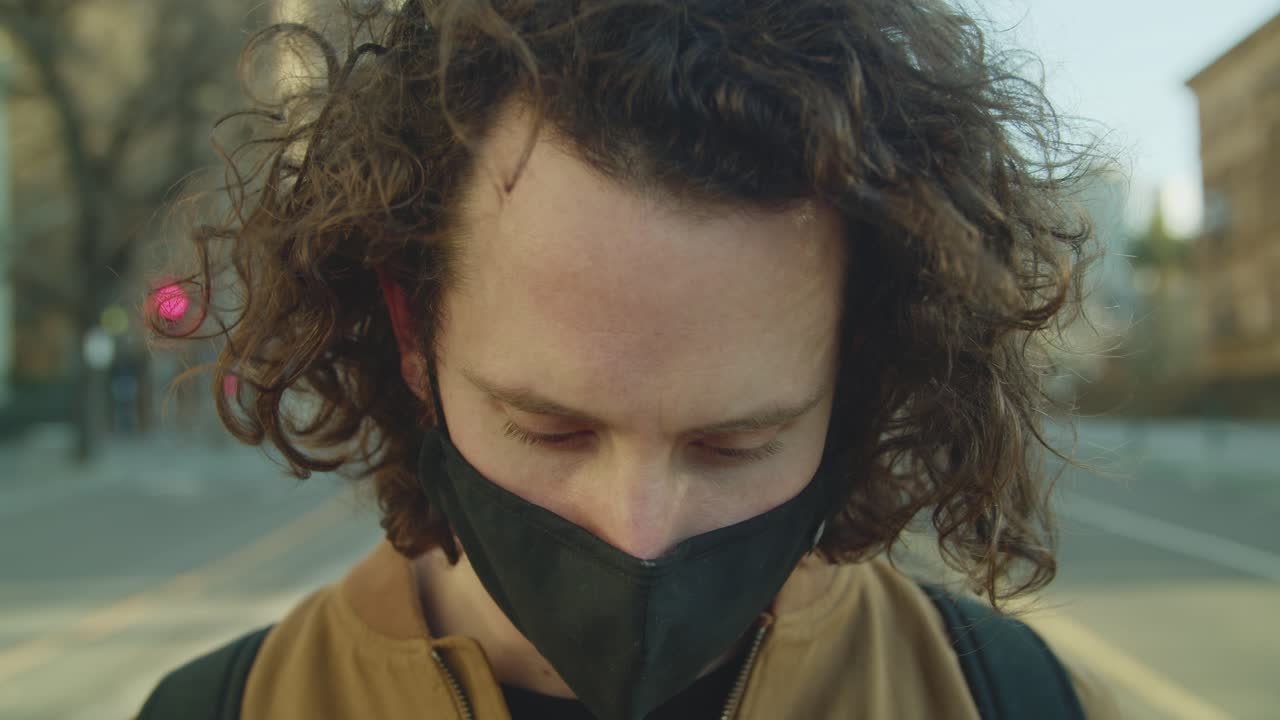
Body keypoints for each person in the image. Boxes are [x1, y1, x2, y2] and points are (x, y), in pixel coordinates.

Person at [139, 0, 1121, 718]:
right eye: (548, 428)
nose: (638, 535)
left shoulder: (1015, 700)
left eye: (734, 444)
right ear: (410, 331)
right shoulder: (228, 707)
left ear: (855, 356)